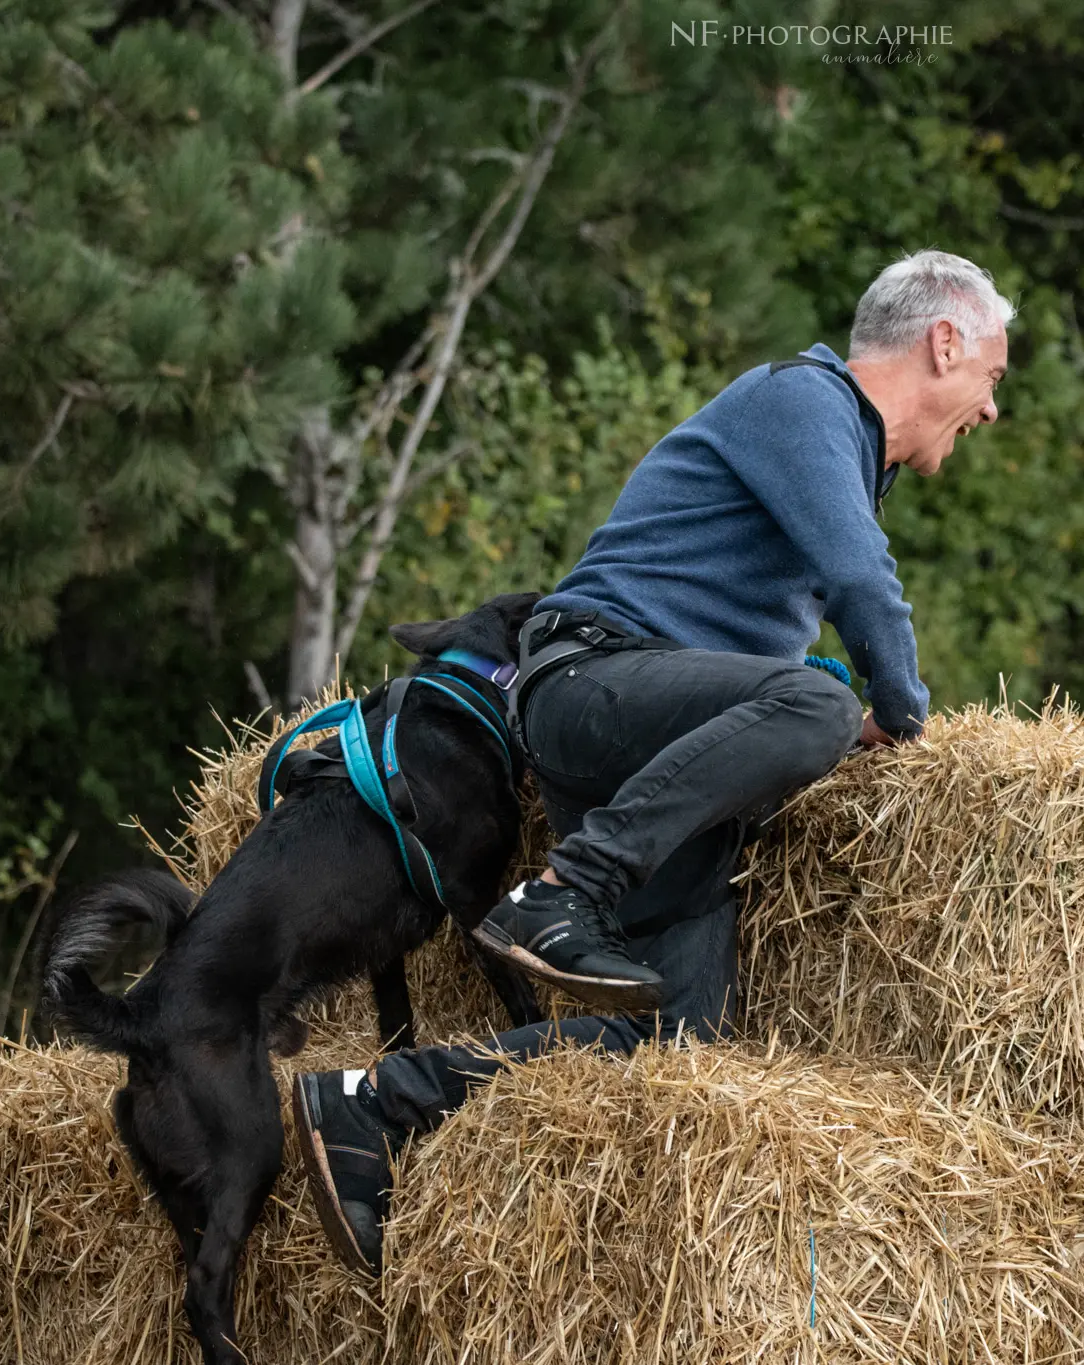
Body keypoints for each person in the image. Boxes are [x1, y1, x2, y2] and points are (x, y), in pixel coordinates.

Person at [291, 249, 1014, 1275]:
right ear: (944, 342)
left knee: (677, 1046)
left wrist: (807, 721)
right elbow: (860, 580)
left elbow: (749, 641)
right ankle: (561, 895)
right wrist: (899, 719)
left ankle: (373, 1105)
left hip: (649, 731)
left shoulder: (844, 452)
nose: (989, 407)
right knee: (819, 695)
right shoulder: (801, 400)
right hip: (592, 684)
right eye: (990, 374)